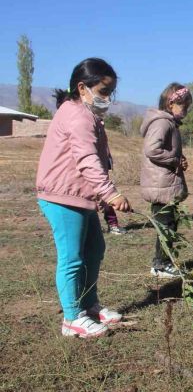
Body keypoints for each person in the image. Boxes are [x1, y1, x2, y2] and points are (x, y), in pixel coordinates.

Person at [36, 57, 131, 338]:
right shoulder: (77, 116)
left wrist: (100, 194)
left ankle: (89, 305)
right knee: (72, 258)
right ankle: (71, 318)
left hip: (80, 196)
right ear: (82, 87)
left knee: (94, 251)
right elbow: (88, 160)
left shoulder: (87, 115)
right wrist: (111, 193)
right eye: (103, 92)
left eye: (110, 93)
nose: (107, 99)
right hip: (62, 197)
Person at [140, 83, 191, 278]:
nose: (185, 111)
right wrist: (175, 160)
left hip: (166, 184)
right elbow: (153, 149)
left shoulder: (170, 123)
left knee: (170, 224)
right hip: (161, 184)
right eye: (183, 106)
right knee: (165, 226)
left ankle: (164, 262)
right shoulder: (162, 123)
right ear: (170, 104)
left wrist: (180, 158)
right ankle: (160, 265)